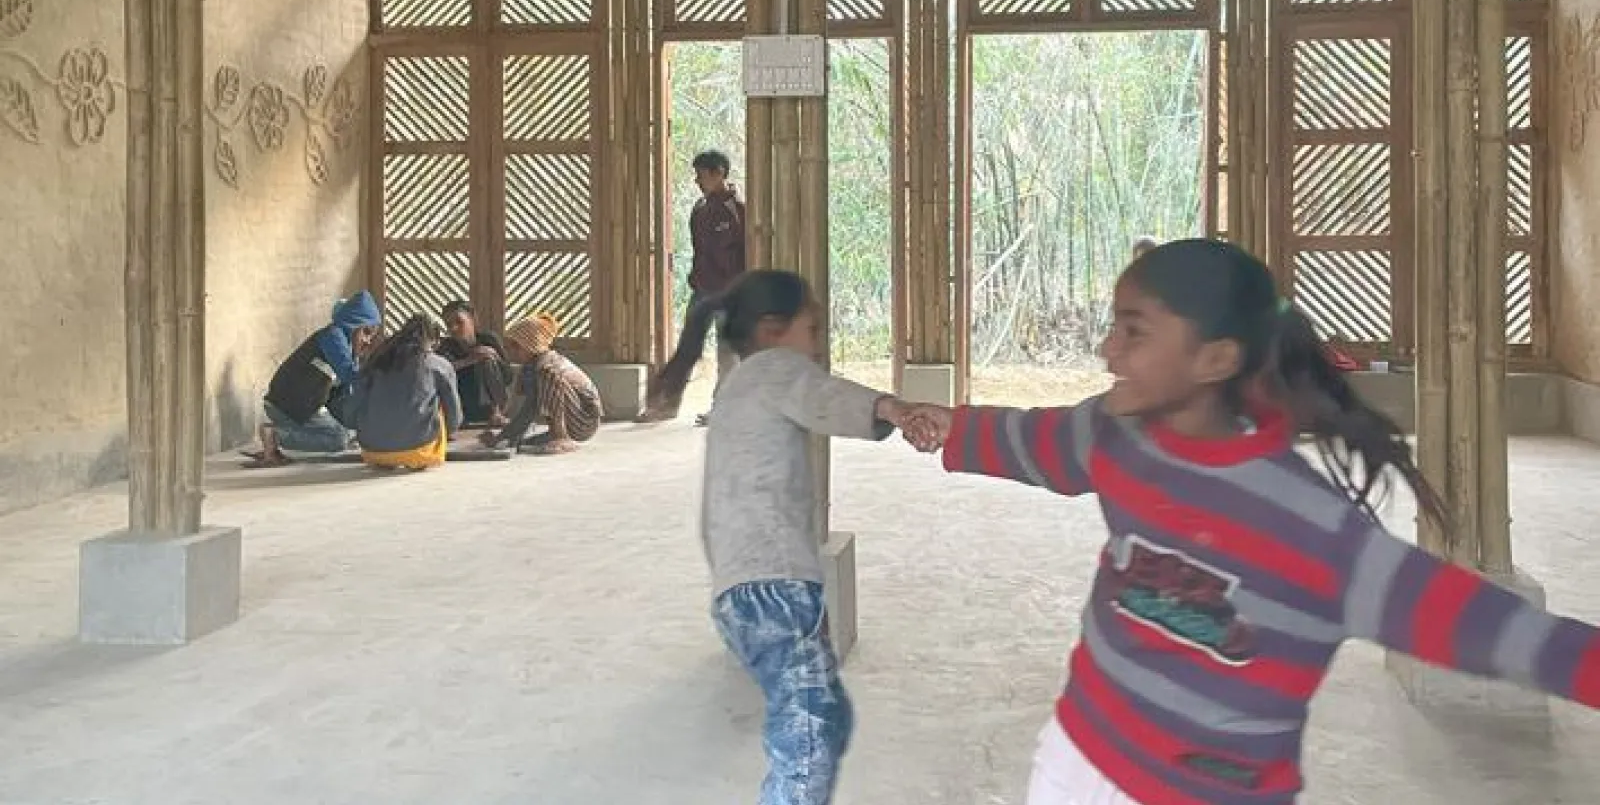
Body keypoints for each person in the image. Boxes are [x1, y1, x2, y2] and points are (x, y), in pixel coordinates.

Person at [900, 238, 1600, 805]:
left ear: (1216, 360)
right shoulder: (1118, 435)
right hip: (1076, 756)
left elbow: (1487, 627)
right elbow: (1039, 441)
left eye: (1133, 331)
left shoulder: (1316, 532)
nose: (1109, 350)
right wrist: (952, 427)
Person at [651, 269, 934, 805]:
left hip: (745, 593)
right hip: (773, 590)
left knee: (824, 715)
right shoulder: (775, 368)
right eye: (814, 328)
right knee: (808, 741)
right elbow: (824, 395)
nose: (819, 343)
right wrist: (891, 408)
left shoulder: (736, 389)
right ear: (772, 329)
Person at [639, 149, 746, 425]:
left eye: (701, 175)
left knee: (727, 354)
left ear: (719, 173)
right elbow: (700, 251)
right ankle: (666, 406)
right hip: (702, 290)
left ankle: (722, 410)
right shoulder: (700, 209)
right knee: (687, 349)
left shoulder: (739, 209)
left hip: (731, 293)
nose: (697, 181)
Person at [251, 291, 382, 467]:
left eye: (371, 336)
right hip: (286, 405)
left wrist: (360, 422)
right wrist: (382, 381)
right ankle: (275, 435)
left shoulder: (348, 348)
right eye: (366, 332)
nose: (368, 341)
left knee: (349, 434)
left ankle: (276, 439)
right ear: (353, 322)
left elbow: (342, 396)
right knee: (338, 439)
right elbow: (350, 375)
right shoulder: (333, 337)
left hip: (304, 405)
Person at [346, 314, 462, 471]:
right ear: (433, 340)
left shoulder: (376, 361)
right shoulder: (437, 363)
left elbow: (353, 406)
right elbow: (454, 415)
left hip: (372, 449)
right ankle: (415, 458)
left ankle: (385, 459)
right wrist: (450, 431)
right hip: (421, 448)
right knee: (437, 404)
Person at [479, 312, 602, 456]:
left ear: (531, 345)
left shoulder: (548, 366)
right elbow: (527, 409)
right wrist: (503, 437)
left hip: (584, 421)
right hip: (572, 421)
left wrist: (504, 436)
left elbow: (530, 408)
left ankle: (561, 437)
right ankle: (555, 434)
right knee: (521, 443)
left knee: (549, 375)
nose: (510, 350)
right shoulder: (530, 367)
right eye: (509, 346)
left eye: (516, 346)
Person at [437, 299, 511, 427]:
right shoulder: (446, 346)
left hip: (491, 406)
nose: (454, 328)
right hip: (461, 406)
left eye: (459, 322)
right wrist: (469, 360)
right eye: (449, 324)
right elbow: (440, 373)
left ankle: (496, 413)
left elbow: (509, 377)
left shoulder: (488, 339)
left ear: (473, 319)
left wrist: (495, 356)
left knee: (487, 360)